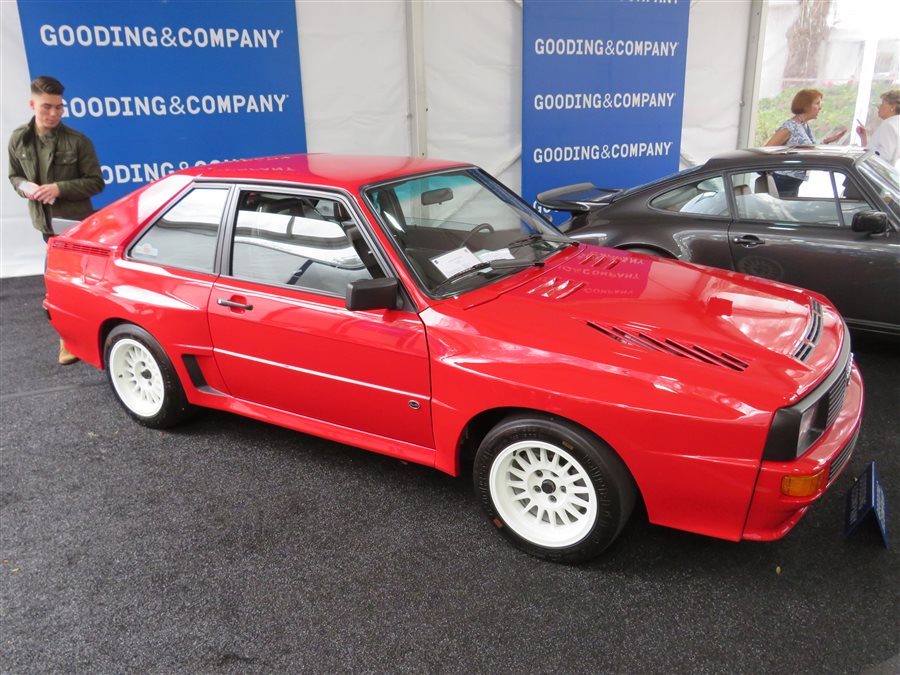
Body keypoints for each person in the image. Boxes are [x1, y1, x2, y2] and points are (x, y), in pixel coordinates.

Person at [8, 76, 104, 365]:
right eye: (47, 107)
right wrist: (26, 188)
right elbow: (14, 176)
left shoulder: (78, 141)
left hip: (75, 227)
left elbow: (96, 183)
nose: (54, 113)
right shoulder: (19, 139)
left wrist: (59, 188)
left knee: (80, 285)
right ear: (32, 104)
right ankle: (70, 341)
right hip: (46, 227)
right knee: (59, 286)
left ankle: (87, 338)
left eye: (59, 107)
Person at [765, 88, 847, 196]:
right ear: (806, 105)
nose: (820, 108)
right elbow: (767, 150)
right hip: (783, 180)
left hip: (793, 181)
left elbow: (807, 148)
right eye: (817, 103)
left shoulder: (804, 125)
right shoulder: (790, 127)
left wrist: (826, 141)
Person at [856, 89, 900, 168]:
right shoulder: (896, 123)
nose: (878, 106)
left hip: (875, 171)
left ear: (893, 107)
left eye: (882, 103)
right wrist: (863, 138)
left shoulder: (888, 125)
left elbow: (884, 156)